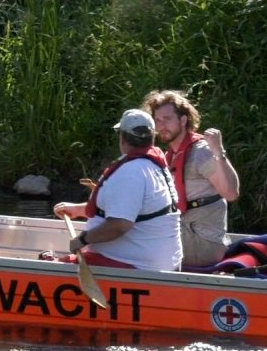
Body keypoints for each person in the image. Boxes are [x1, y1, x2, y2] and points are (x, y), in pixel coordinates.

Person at [51, 109, 183, 271]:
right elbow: (131, 210)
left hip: (136, 267)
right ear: (151, 138)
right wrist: (79, 210)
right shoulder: (154, 166)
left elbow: (119, 225)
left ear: (123, 138)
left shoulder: (131, 172)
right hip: (160, 263)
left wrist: (83, 239)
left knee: (49, 266)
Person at [142, 90, 239, 268]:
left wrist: (218, 151)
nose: (162, 125)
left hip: (202, 242)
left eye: (167, 118)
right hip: (185, 234)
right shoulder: (170, 155)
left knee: (134, 240)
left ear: (183, 120)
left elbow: (231, 193)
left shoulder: (202, 152)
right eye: (157, 120)